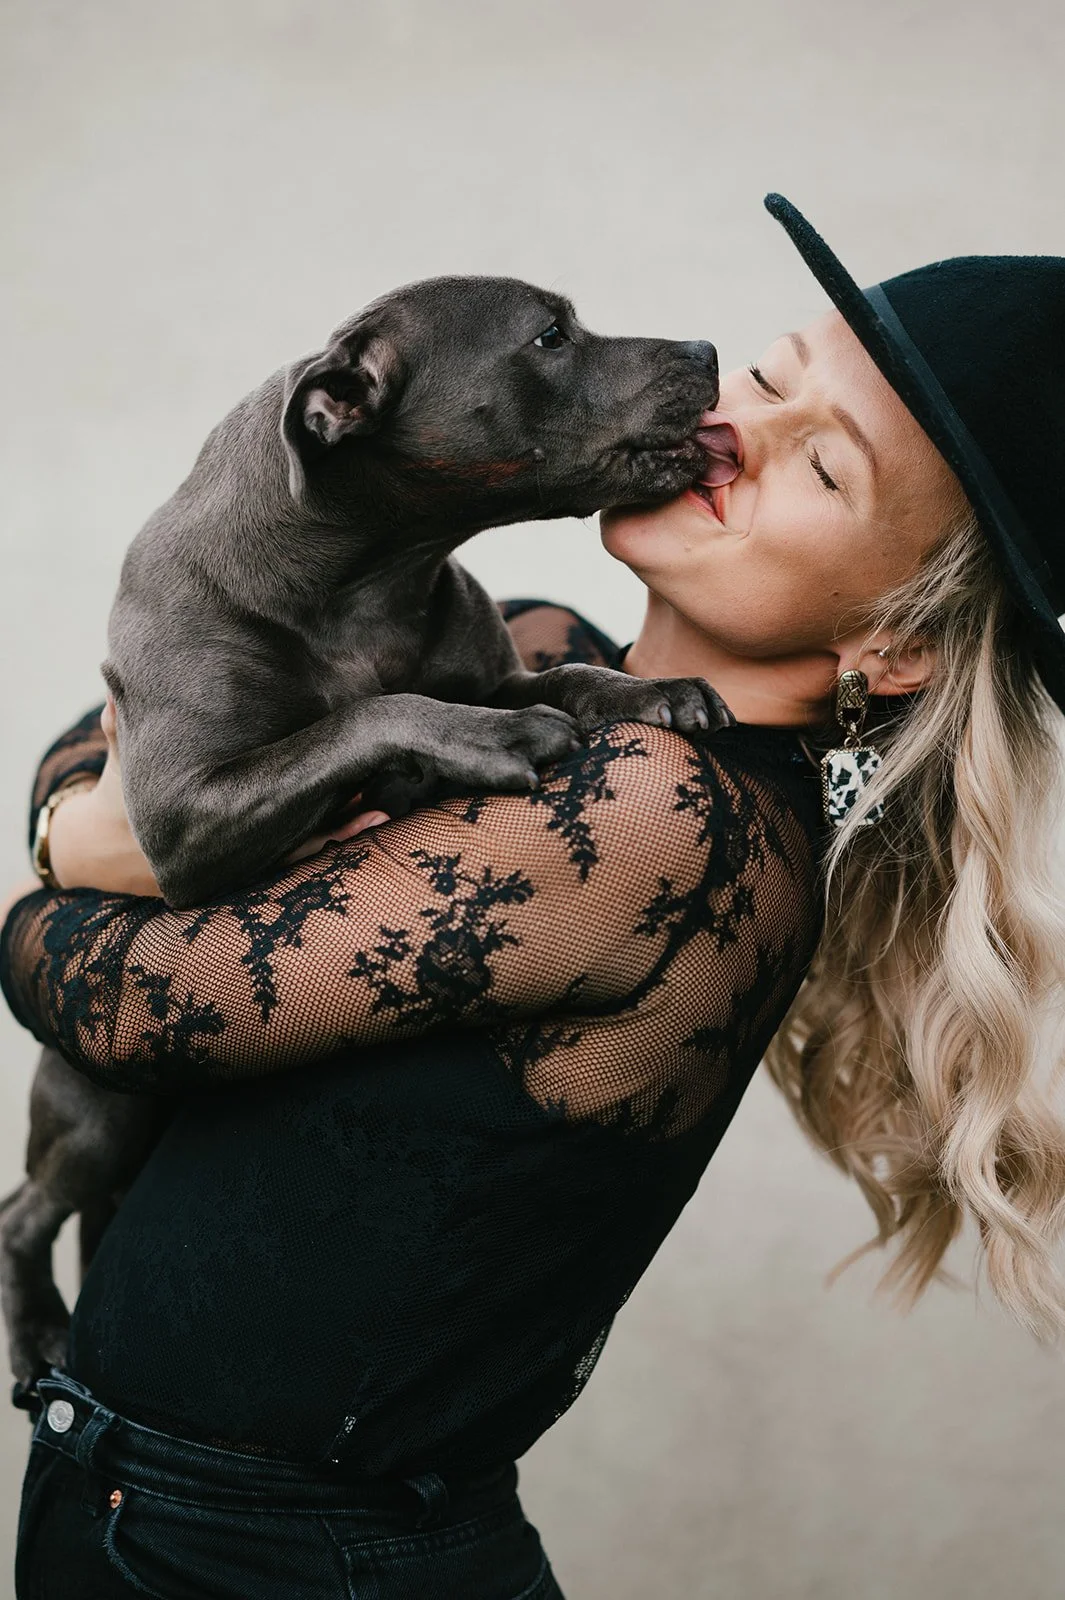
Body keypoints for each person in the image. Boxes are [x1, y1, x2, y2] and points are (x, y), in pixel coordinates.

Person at [2, 193, 1064, 1599]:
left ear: (895, 643)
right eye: (770, 376)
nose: (740, 426)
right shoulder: (546, 658)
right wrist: (108, 814)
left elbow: (121, 1001)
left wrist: (74, 852)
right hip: (168, 1519)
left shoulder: (661, 823)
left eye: (824, 467)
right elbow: (144, 707)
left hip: (271, 1564)